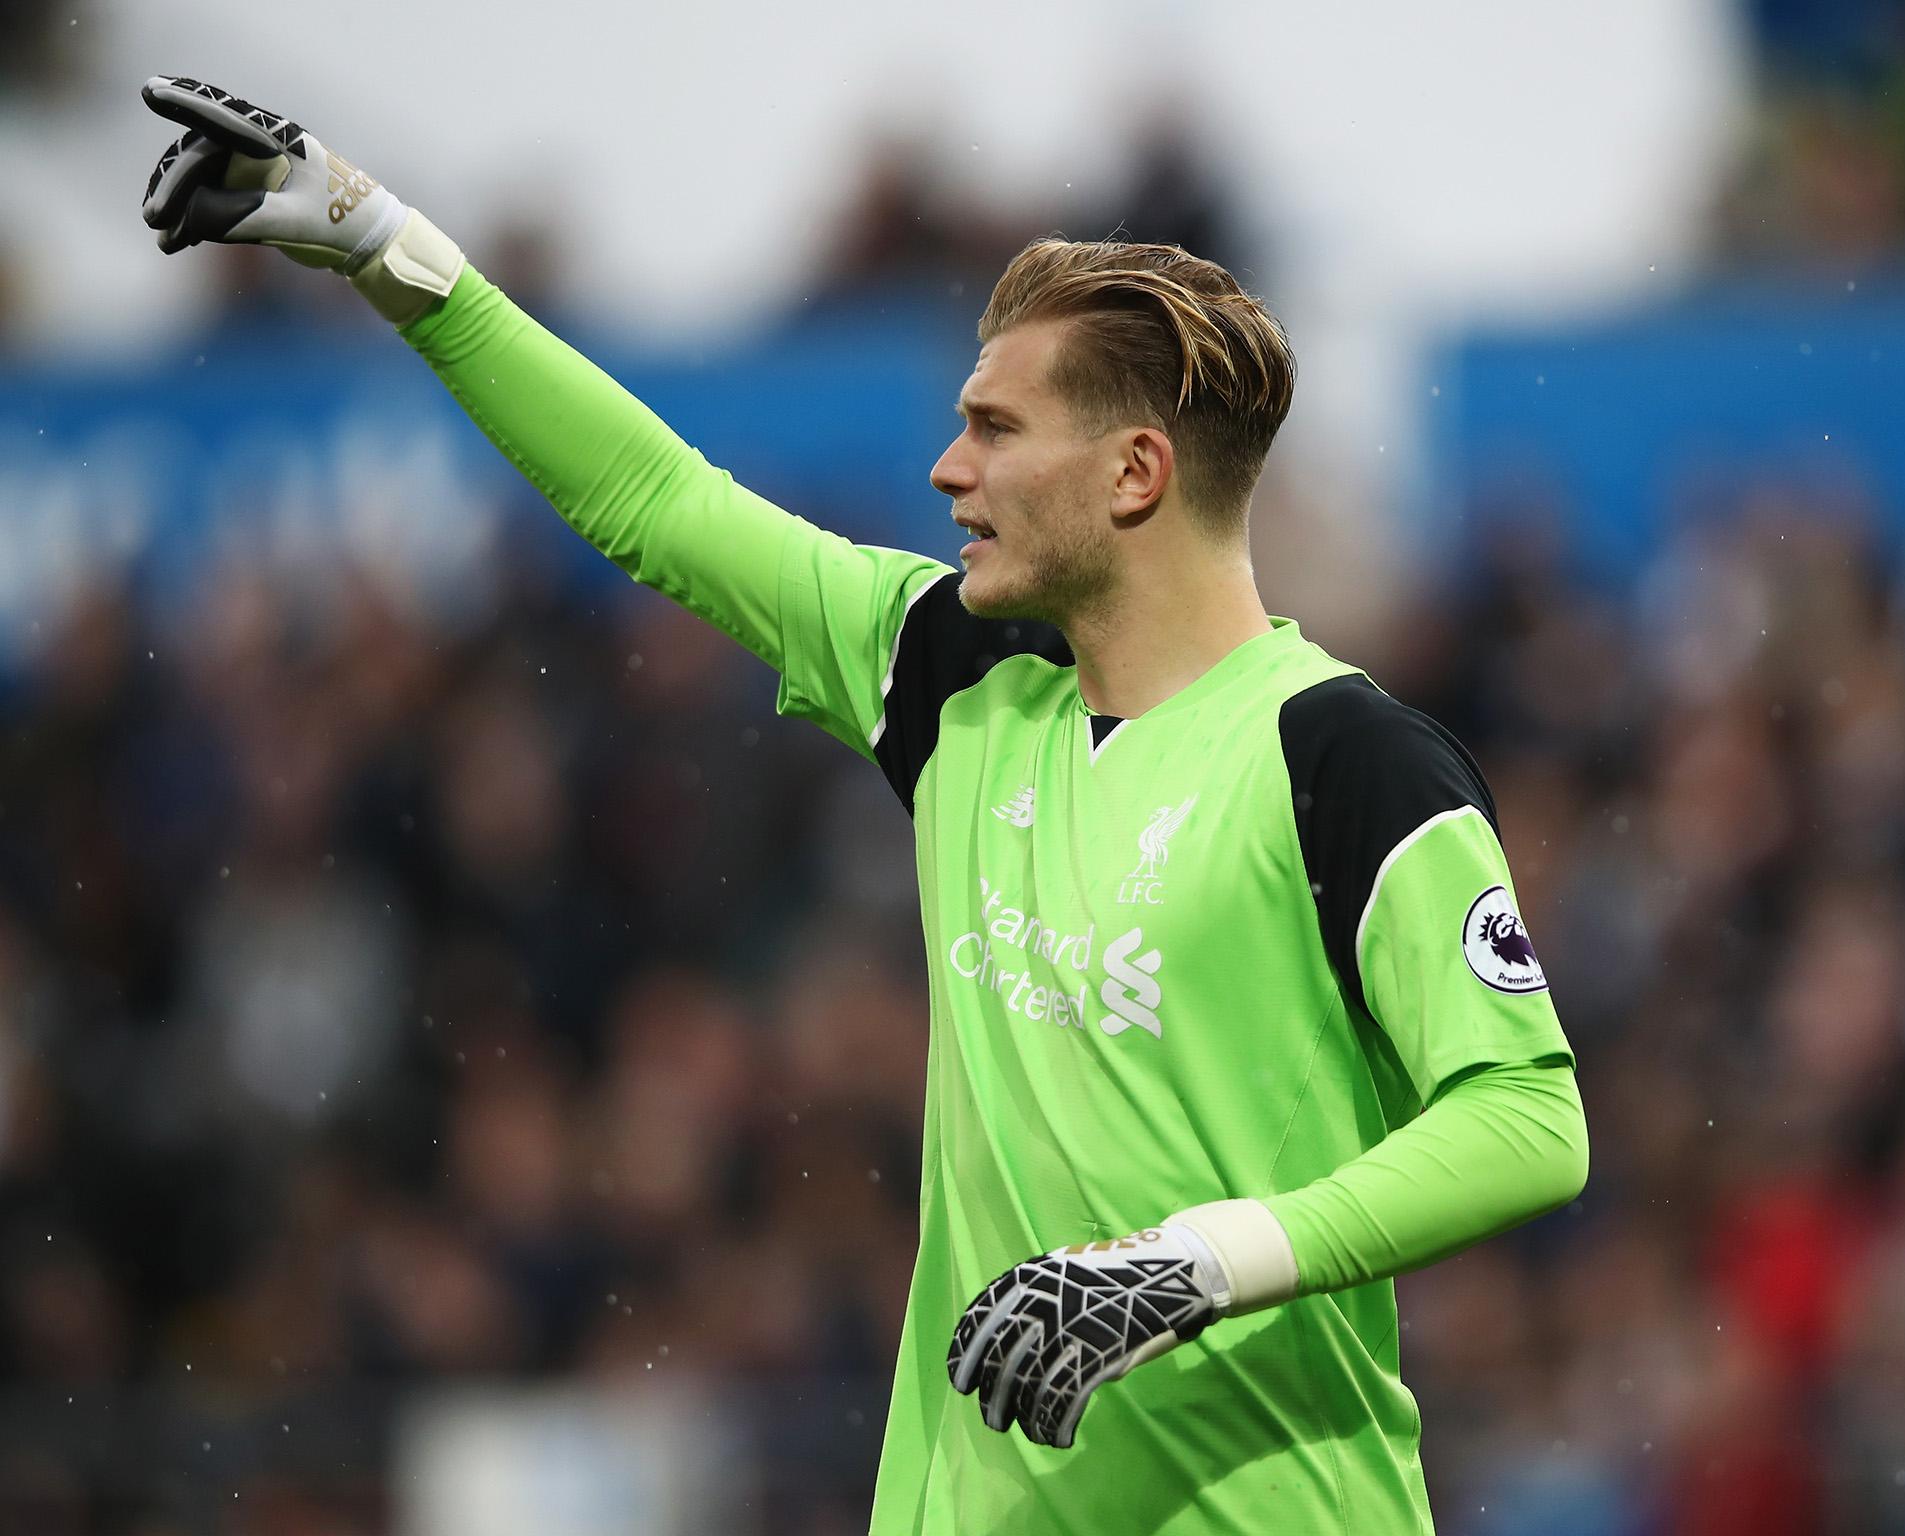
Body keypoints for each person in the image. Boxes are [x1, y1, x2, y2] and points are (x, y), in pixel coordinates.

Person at [138, 76, 1589, 1534]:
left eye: (997, 430)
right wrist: (380, 244)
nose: (950, 469)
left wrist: (1207, 1259)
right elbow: (659, 502)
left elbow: (1530, 1119)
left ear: (1137, 473)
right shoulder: (954, 679)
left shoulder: (1345, 760)